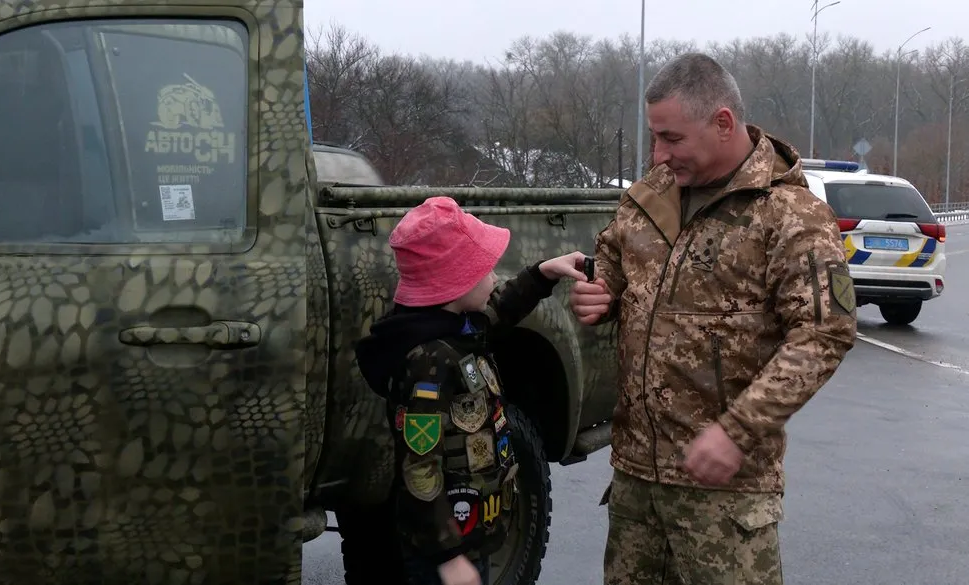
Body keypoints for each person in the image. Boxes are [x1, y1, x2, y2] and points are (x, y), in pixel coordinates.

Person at [569, 52, 858, 584]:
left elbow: (824, 332)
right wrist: (598, 293)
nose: (658, 154)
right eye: (655, 137)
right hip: (635, 479)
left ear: (723, 123)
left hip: (725, 494)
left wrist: (738, 431)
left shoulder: (787, 214)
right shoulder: (650, 196)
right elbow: (610, 257)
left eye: (672, 138)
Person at [355, 195, 590, 585]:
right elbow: (420, 469)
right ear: (455, 284)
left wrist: (544, 274)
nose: (495, 277)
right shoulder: (427, 364)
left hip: (470, 535)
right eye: (486, 270)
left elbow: (498, 310)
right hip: (444, 552)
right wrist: (448, 556)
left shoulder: (451, 327)